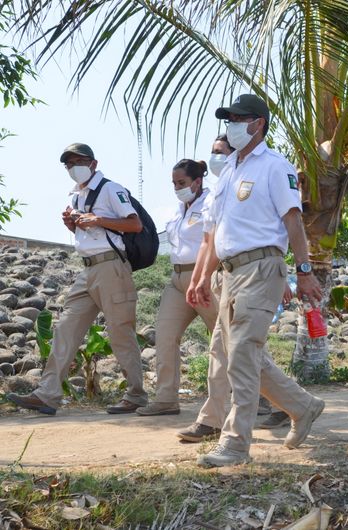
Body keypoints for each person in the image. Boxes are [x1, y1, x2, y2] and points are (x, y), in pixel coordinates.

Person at [187, 93, 325, 467]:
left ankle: (235, 444)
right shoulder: (228, 171)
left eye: (237, 118)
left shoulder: (274, 167)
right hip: (229, 273)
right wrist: (201, 277)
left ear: (257, 123)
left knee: (243, 354)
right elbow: (216, 234)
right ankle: (303, 406)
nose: (230, 125)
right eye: (227, 119)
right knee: (234, 353)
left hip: (262, 267)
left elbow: (293, 220)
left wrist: (304, 270)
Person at [7, 143, 147, 415]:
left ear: (93, 163)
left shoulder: (110, 189)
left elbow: (134, 224)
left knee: (120, 332)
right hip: (88, 269)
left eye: (78, 162)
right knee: (66, 328)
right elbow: (88, 230)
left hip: (111, 266)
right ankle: (47, 394)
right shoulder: (76, 196)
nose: (73, 168)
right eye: (69, 164)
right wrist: (73, 224)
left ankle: (136, 395)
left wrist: (97, 220)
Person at [135, 159, 218, 416]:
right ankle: (166, 399)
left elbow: (214, 242)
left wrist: (204, 276)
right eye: (174, 183)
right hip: (178, 279)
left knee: (229, 338)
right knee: (165, 336)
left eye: (181, 183)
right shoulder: (177, 209)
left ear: (197, 181)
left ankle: (264, 397)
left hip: (205, 276)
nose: (177, 188)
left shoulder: (212, 203)